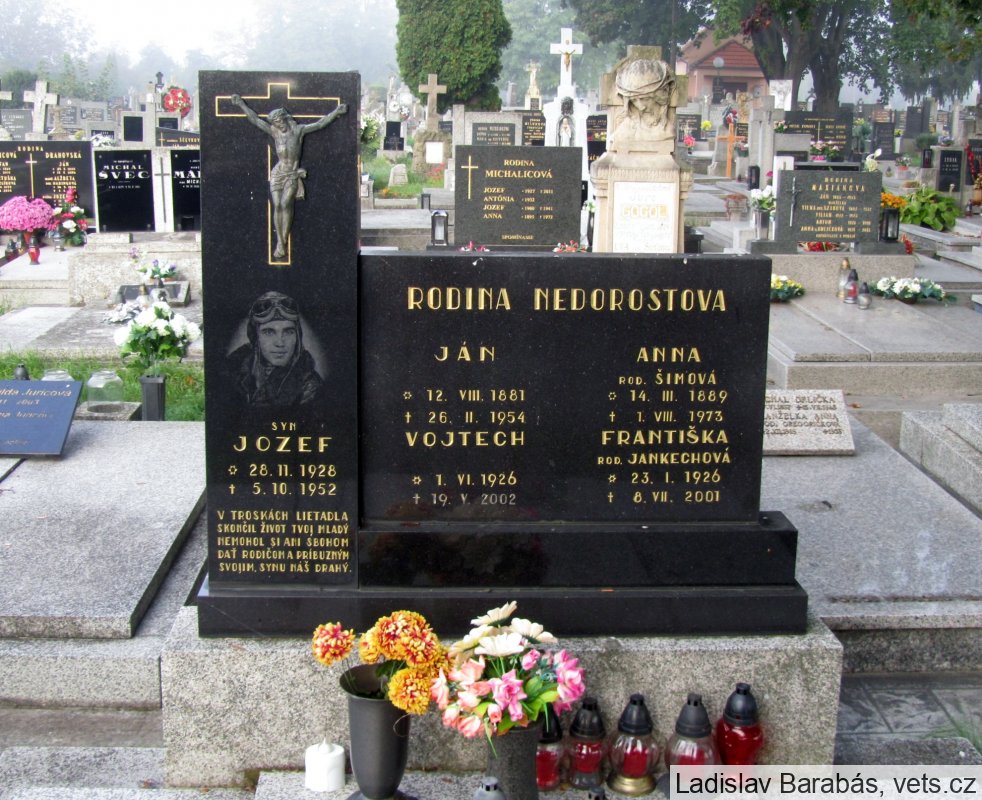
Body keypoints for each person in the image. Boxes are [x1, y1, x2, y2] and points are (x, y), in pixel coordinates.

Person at [230, 95, 347, 259]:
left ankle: (282, 240)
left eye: (279, 121)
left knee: (286, 203)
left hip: (292, 173)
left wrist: (336, 112)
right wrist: (241, 104)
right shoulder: (275, 133)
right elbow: (255, 120)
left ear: (285, 118)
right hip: (278, 173)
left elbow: (320, 124)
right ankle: (280, 241)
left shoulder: (298, 131)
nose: (278, 125)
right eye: (275, 123)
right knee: (277, 205)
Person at [228, 291, 323, 407]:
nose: (280, 343)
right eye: (269, 332)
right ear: (255, 337)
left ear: (297, 337)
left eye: (288, 332)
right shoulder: (234, 370)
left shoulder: (310, 387)